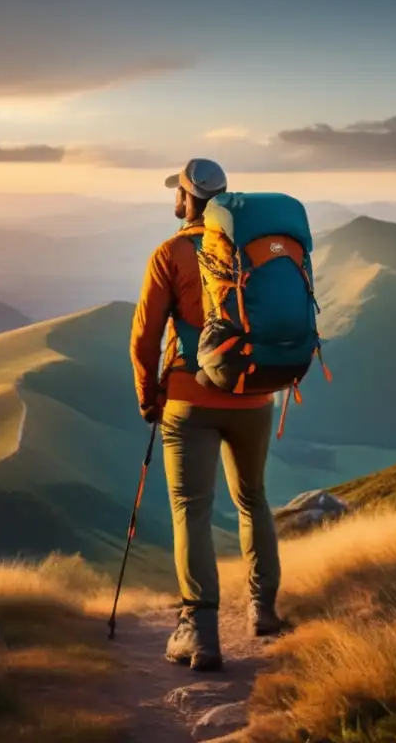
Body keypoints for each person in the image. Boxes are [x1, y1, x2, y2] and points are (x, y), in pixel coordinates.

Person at [129, 158, 290, 672]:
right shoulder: (247, 250)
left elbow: (144, 338)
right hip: (255, 396)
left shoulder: (171, 252)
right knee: (254, 500)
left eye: (175, 191)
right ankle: (263, 609)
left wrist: (148, 398)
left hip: (189, 401)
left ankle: (200, 634)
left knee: (191, 512)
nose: (174, 199)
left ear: (184, 198)